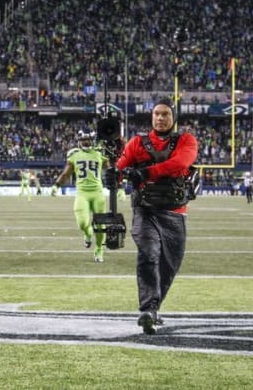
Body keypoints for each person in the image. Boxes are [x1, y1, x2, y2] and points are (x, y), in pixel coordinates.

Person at [115, 98, 197, 335]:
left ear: (174, 117)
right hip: (146, 211)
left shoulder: (186, 140)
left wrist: (146, 172)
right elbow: (121, 166)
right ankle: (148, 309)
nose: (160, 118)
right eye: (157, 114)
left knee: (169, 266)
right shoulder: (136, 143)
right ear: (151, 117)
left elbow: (180, 163)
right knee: (148, 255)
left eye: (165, 114)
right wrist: (114, 175)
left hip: (175, 212)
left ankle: (153, 308)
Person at [51, 130, 109, 263]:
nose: (86, 142)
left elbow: (111, 169)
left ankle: (99, 249)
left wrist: (119, 186)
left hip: (98, 193)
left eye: (88, 140)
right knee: (82, 223)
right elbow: (66, 174)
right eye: (83, 140)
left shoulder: (100, 153)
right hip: (82, 193)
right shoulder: (74, 155)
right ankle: (88, 234)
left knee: (100, 226)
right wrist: (56, 185)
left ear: (93, 140)